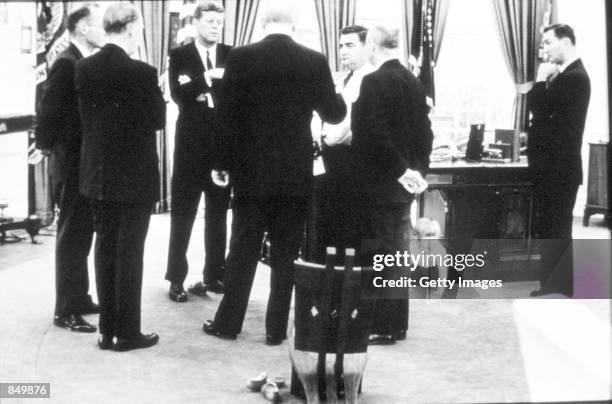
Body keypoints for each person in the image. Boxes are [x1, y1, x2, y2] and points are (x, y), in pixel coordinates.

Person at [203, 0, 346, 345]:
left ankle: (228, 323)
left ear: (262, 23)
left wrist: (220, 164)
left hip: (251, 172)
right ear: (293, 25)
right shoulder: (315, 60)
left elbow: (226, 118)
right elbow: (335, 114)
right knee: (286, 254)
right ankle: (276, 330)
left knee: (243, 248)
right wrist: (338, 92)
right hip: (295, 173)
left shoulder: (240, 57)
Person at [75, 2, 166, 351]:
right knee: (130, 254)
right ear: (131, 28)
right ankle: (127, 333)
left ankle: (106, 331)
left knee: (104, 249)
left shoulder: (83, 68)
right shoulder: (143, 72)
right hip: (134, 179)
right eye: (140, 27)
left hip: (97, 175)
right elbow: (157, 121)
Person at [352, 24, 433, 345]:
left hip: (379, 184)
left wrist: (402, 171)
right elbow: (426, 134)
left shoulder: (373, 81)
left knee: (378, 255)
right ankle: (396, 325)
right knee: (397, 254)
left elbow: (372, 135)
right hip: (405, 187)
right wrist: (417, 173)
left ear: (372, 44)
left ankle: (378, 326)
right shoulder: (414, 81)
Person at [35, 3, 106, 333]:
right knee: (71, 235)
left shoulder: (81, 60)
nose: (103, 31)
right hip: (72, 162)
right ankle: (64, 309)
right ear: (82, 28)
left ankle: (79, 297)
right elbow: (49, 112)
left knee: (82, 233)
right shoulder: (67, 63)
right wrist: (52, 152)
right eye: (98, 25)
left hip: (81, 161)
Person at [165, 1, 232, 302]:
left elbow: (234, 97)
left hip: (221, 148)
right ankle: (176, 279)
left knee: (218, 216)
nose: (216, 27)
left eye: (219, 22)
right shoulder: (180, 55)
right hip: (191, 149)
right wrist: (205, 80)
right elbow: (180, 96)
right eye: (210, 22)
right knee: (183, 214)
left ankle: (214, 275)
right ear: (195, 24)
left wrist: (200, 89)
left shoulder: (232, 55)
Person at [527, 23, 590, 297]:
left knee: (556, 226)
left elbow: (539, 110)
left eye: (549, 42)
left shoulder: (573, 78)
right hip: (557, 168)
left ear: (565, 42)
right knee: (553, 226)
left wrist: (541, 79)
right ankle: (555, 284)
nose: (545, 48)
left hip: (558, 169)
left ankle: (559, 286)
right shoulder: (568, 76)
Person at [314, 25, 375, 260]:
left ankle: (343, 288)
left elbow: (342, 126)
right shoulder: (342, 78)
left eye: (350, 45)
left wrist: (322, 140)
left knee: (346, 228)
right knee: (331, 226)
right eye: (340, 46)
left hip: (350, 162)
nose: (342, 51)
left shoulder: (368, 79)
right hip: (333, 160)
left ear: (367, 47)